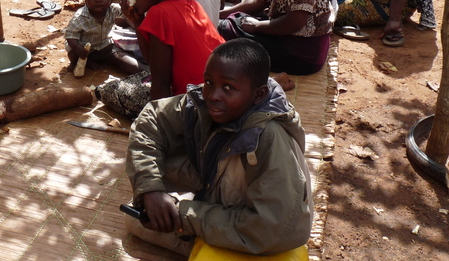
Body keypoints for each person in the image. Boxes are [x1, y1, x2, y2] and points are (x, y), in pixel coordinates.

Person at [125, 39, 313, 258]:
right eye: (208, 82)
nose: (213, 95)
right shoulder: (206, 104)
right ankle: (200, 227)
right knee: (140, 207)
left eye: (228, 87)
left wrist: (184, 216)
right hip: (220, 192)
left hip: (261, 225)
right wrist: (150, 189)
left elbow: (274, 227)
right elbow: (151, 119)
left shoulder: (269, 138)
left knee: (140, 221)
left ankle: (203, 240)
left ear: (259, 95)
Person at [96, 0, 223, 118]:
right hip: (220, 96)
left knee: (108, 90)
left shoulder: (160, 13)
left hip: (196, 104)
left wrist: (160, 128)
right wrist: (137, 22)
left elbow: (161, 82)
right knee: (143, 76)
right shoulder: (190, 4)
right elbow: (154, 61)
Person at [65, 0, 139, 74]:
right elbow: (70, 35)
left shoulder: (113, 9)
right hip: (82, 47)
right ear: (86, 0)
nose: (98, 0)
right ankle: (78, 62)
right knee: (73, 55)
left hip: (102, 45)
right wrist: (78, 48)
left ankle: (90, 61)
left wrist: (128, 5)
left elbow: (127, 15)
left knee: (109, 48)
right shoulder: (80, 17)